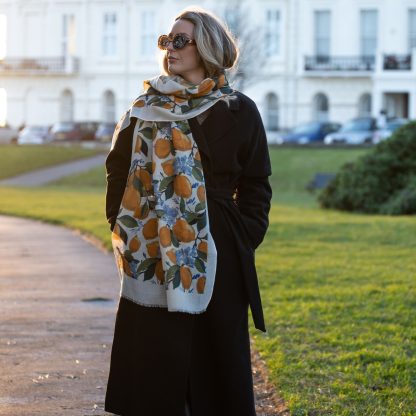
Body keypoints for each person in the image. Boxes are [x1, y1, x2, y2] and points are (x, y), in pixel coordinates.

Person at [104, 6, 272, 416]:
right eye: (166, 40)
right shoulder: (144, 108)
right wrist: (123, 225)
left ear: (208, 47)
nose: (169, 48)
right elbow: (116, 171)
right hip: (152, 247)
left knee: (217, 358)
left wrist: (243, 234)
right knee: (155, 358)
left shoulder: (239, 109)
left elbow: (256, 183)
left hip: (219, 250)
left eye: (180, 40)